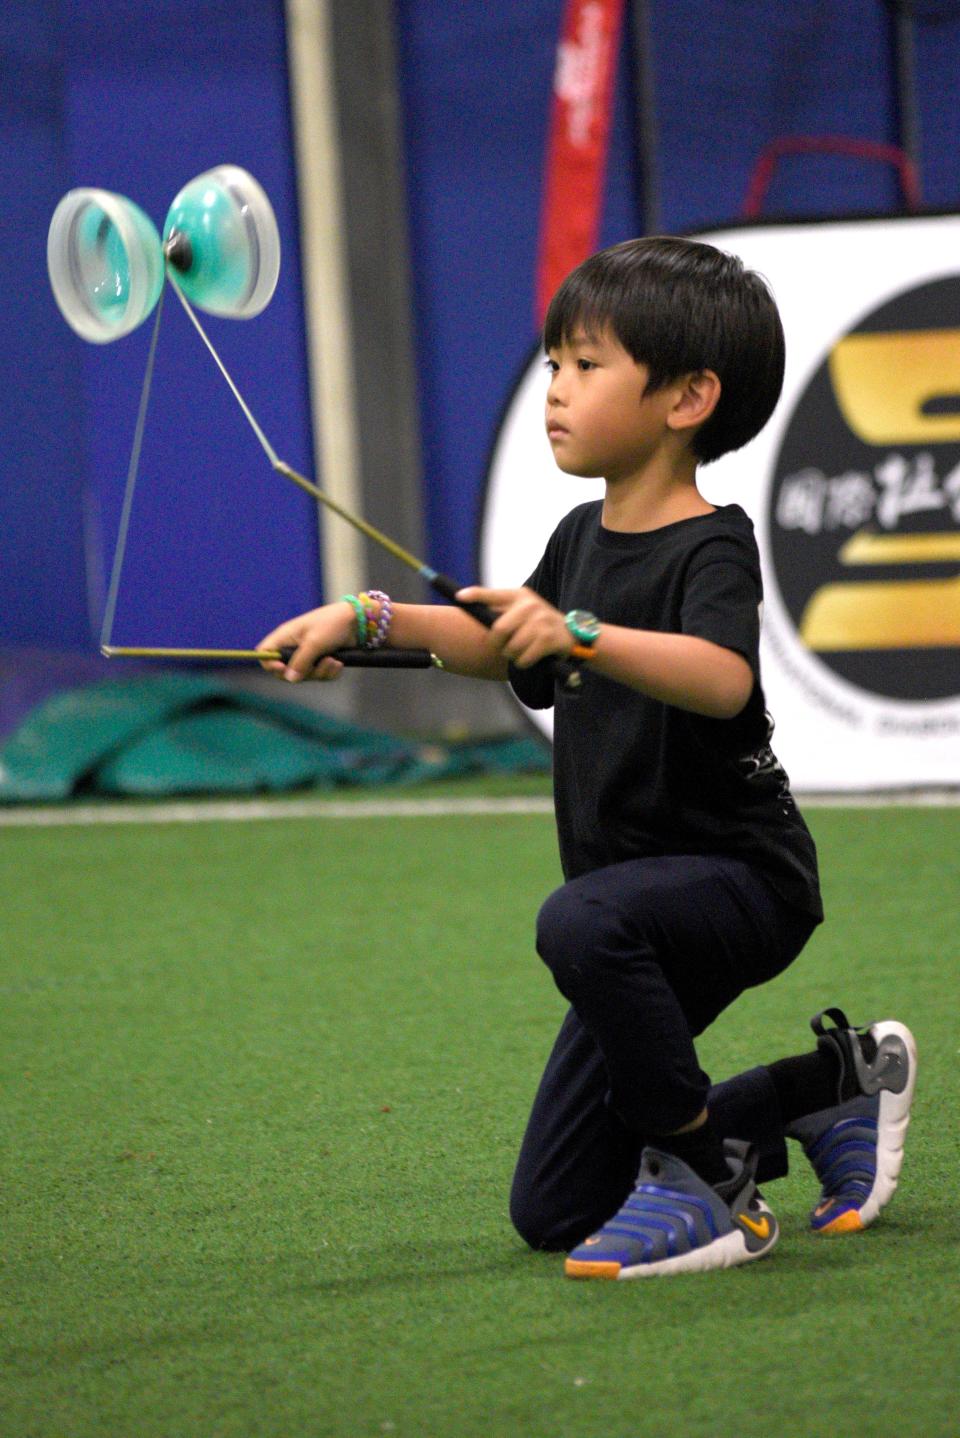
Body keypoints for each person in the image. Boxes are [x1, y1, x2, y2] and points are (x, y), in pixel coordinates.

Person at [257, 237, 916, 1279]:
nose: (556, 388)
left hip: (743, 884)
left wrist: (582, 635)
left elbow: (720, 678)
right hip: (631, 912)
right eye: (555, 363)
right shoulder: (579, 537)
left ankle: (707, 1188)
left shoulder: (714, 543)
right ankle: (823, 1090)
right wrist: (361, 618)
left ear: (688, 396)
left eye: (584, 364)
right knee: (556, 1203)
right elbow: (495, 638)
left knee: (576, 921)